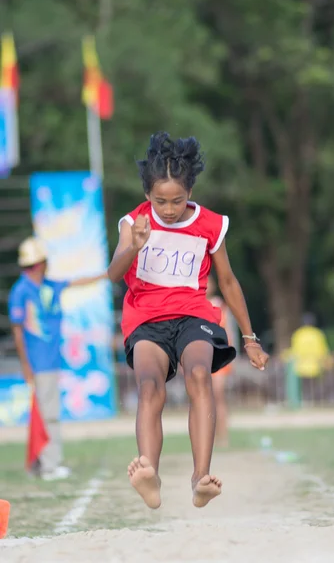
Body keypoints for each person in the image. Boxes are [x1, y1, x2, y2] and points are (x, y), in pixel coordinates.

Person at [108, 131, 268, 510]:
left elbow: (227, 282)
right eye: (160, 201)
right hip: (146, 319)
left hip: (193, 315)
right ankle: (150, 473)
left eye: (177, 200)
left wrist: (250, 338)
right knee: (149, 385)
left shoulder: (211, 225)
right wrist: (134, 245)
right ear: (147, 195)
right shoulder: (134, 222)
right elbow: (114, 275)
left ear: (190, 191)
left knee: (199, 374)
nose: (168, 209)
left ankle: (201, 478)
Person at [8, 236, 107, 480]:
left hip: (50, 361)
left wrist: (107, 274)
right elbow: (17, 332)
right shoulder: (21, 291)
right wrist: (26, 365)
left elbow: (77, 282)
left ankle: (40, 464)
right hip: (38, 362)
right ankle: (49, 466)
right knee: (48, 414)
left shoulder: (49, 286)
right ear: (40, 263)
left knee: (45, 413)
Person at [206, 275, 236, 448]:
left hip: (218, 355)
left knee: (217, 395)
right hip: (202, 356)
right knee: (203, 397)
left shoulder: (219, 304)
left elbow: (228, 330)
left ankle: (223, 434)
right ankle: (208, 435)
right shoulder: (194, 305)